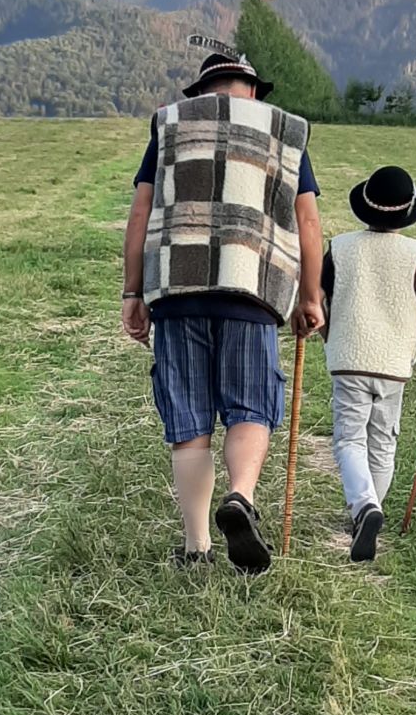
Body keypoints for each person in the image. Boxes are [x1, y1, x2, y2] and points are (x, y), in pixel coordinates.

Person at [122, 34, 324, 574]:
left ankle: (196, 548)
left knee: (189, 420)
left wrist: (132, 292)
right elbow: (307, 222)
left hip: (177, 289)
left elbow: (140, 213)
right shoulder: (281, 130)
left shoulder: (170, 125)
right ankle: (241, 497)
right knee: (251, 405)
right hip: (252, 289)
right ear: (253, 90)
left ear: (203, 91)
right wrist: (310, 296)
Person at [321, 163, 416, 561]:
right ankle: (371, 510)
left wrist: (325, 333)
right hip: (393, 364)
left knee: (349, 438)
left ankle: (364, 506)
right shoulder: (415, 254)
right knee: (383, 442)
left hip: (349, 358)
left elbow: (318, 300)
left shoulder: (340, 247)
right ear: (408, 212)